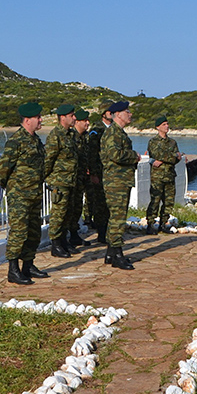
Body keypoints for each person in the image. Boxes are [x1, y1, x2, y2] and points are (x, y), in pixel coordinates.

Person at [0, 101, 48, 285]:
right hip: (20, 195)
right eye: (37, 117)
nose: (40, 120)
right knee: (19, 232)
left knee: (34, 231)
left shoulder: (35, 140)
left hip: (34, 194)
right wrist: (12, 187)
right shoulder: (16, 141)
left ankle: (28, 265)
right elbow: (3, 169)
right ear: (27, 120)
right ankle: (13, 270)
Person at [100, 100, 140, 269]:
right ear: (118, 115)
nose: (130, 114)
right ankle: (117, 254)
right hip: (115, 182)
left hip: (120, 180)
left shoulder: (119, 133)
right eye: (127, 112)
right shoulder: (113, 134)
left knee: (117, 217)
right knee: (118, 219)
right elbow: (116, 154)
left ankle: (111, 252)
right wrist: (134, 156)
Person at [44, 104, 79, 258]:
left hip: (70, 180)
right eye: (72, 115)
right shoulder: (55, 135)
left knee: (68, 213)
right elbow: (48, 160)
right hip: (60, 181)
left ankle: (64, 241)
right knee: (58, 213)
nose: (74, 118)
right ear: (63, 117)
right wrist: (46, 179)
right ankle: (56, 244)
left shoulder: (70, 134)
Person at [145, 114, 183, 234]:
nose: (167, 126)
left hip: (170, 175)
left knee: (168, 201)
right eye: (164, 125)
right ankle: (150, 223)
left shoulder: (172, 142)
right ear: (158, 127)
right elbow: (157, 155)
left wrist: (172, 157)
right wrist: (172, 157)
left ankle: (164, 222)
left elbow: (177, 158)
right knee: (155, 200)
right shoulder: (153, 141)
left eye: (167, 124)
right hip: (157, 176)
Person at [85, 106, 112, 244]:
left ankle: (108, 231)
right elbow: (92, 153)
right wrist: (93, 173)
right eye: (109, 112)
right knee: (100, 204)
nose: (112, 114)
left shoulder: (113, 129)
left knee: (109, 204)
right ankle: (101, 233)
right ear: (103, 114)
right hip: (100, 172)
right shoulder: (97, 130)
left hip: (110, 173)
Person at [69, 108, 91, 247]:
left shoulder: (85, 137)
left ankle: (74, 235)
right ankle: (65, 239)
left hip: (82, 178)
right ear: (77, 121)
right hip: (72, 179)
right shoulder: (71, 137)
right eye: (85, 121)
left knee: (77, 208)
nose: (88, 123)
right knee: (69, 209)